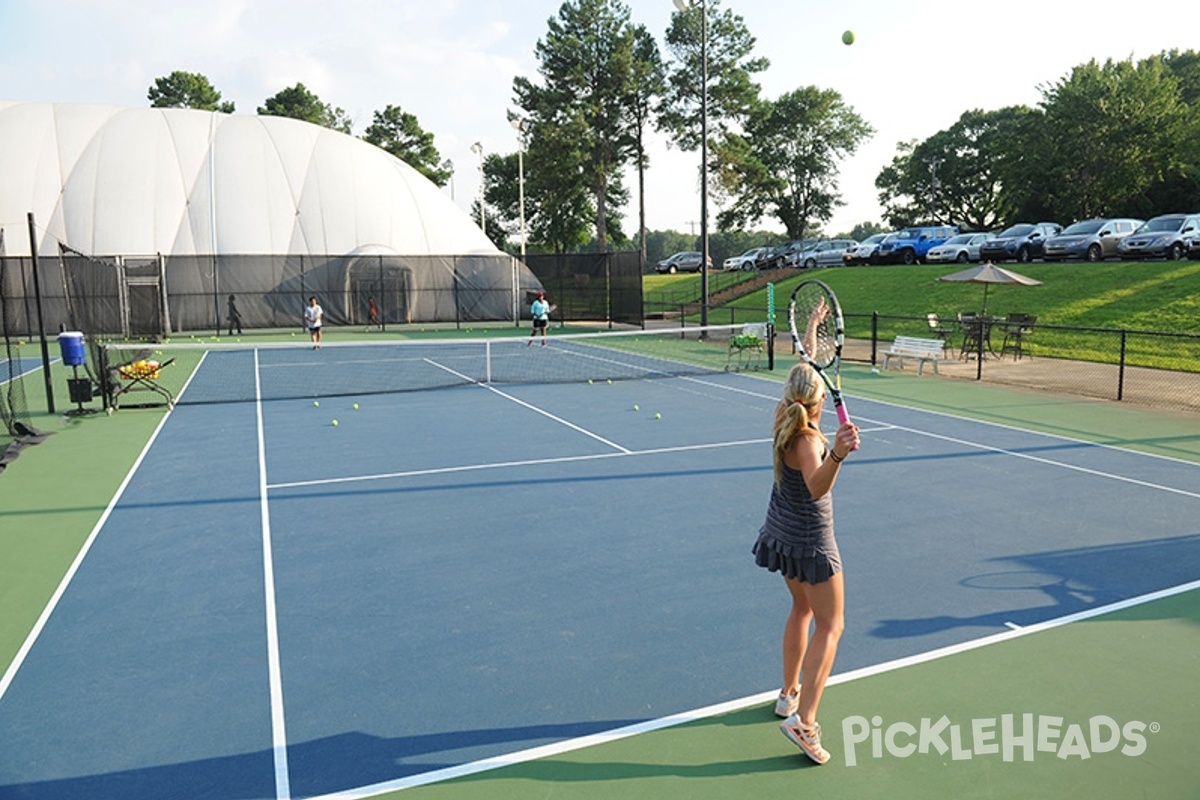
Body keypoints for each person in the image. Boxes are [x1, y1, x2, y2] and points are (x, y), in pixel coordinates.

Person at [751, 360, 860, 765]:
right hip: (811, 540)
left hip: (782, 532)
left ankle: (787, 693)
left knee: (801, 608)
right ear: (819, 401)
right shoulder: (810, 442)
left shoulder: (783, 416)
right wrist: (838, 453)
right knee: (832, 625)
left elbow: (806, 368)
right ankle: (805, 722)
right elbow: (816, 487)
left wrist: (813, 330)